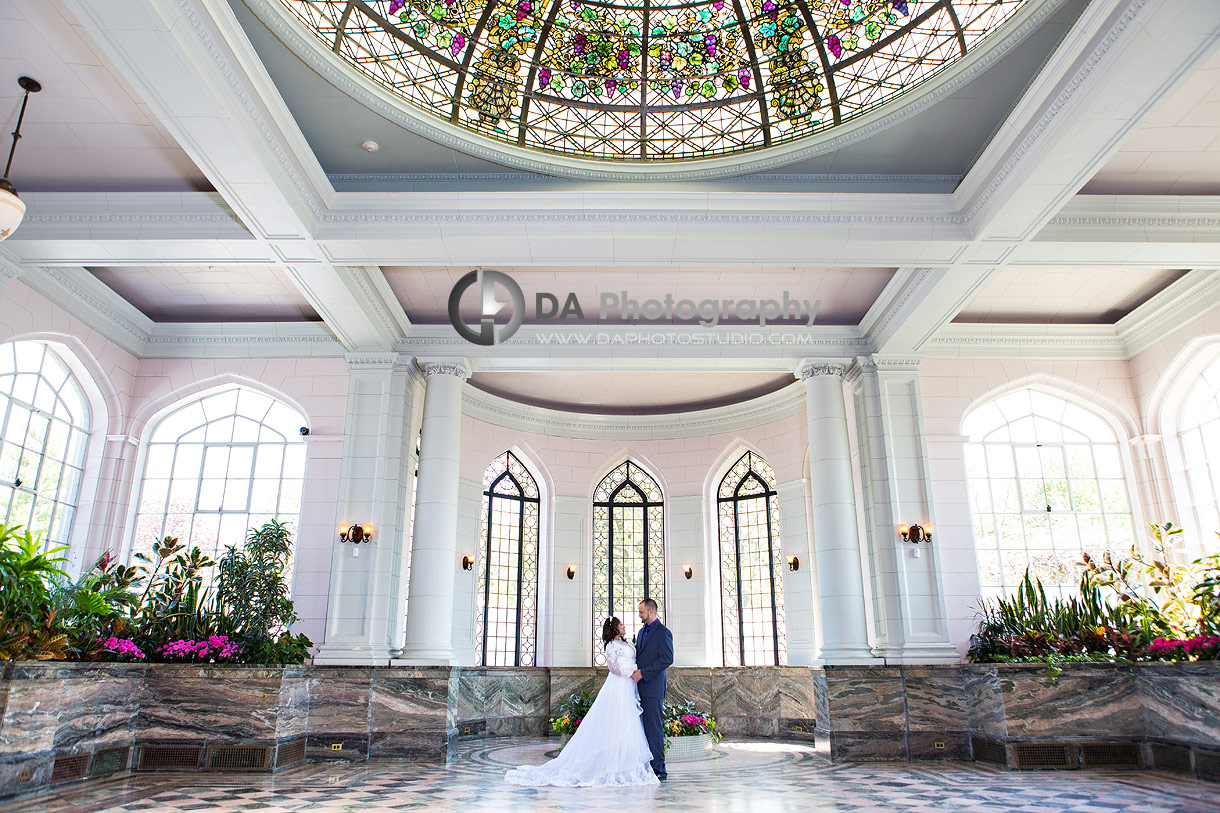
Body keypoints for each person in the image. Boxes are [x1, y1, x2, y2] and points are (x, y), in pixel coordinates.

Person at [505, 617, 659, 787]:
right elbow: (613, 668)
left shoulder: (628, 643)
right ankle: (612, 765)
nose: (624, 626)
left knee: (630, 722)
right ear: (615, 629)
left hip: (630, 686)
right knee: (617, 720)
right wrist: (630, 673)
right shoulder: (611, 646)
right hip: (619, 685)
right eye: (621, 624)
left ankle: (626, 763)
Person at [631, 598, 673, 781]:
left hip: (653, 688)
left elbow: (667, 659)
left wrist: (644, 673)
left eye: (641, 612)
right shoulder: (641, 632)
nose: (639, 615)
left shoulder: (663, 633)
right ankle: (646, 767)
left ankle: (659, 770)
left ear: (651, 612)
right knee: (641, 729)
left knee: (654, 729)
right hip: (639, 687)